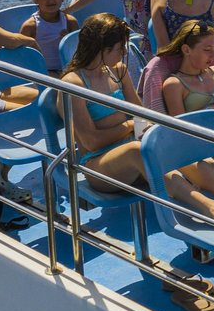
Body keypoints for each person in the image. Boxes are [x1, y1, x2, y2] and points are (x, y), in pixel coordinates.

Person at [60, 14, 149, 194]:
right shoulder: (73, 84)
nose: (124, 53)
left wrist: (144, 132)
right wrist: (130, 125)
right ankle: (196, 209)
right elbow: (92, 142)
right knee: (138, 152)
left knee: (167, 146)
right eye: (120, 48)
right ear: (102, 49)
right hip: (98, 164)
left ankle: (212, 204)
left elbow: (141, 116)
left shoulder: (118, 71)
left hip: (132, 147)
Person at [19, 0, 78, 74]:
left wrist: (69, 41)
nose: (51, 0)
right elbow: (22, 57)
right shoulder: (30, 27)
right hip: (43, 73)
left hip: (69, 70)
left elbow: (80, 50)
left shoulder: (70, 22)